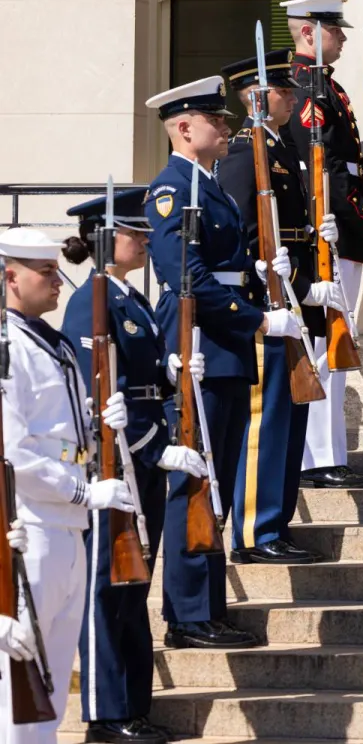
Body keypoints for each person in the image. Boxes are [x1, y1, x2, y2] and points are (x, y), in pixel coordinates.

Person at [146, 76, 305, 649]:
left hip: (225, 347)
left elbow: (219, 266)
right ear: (184, 129)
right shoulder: (173, 190)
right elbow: (184, 277)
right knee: (197, 480)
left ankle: (207, 609)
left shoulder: (206, 184)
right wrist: (257, 319)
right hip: (203, 349)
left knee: (218, 482)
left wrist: (260, 281)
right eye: (215, 120)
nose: (226, 127)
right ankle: (188, 615)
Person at [59, 190, 209, 744]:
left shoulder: (133, 299)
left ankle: (133, 706)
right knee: (106, 586)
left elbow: (141, 380)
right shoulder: (90, 303)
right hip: (114, 461)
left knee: (131, 584)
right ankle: (104, 713)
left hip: (144, 451)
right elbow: (98, 396)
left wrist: (175, 373)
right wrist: (151, 449)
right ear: (105, 238)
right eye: (133, 233)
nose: (145, 240)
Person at [0, 227, 126, 743]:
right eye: (45, 272)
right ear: (11, 277)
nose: (58, 281)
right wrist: (80, 492)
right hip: (33, 529)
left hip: (70, 528)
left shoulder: (51, 344)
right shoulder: (9, 349)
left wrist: (105, 424)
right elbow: (12, 452)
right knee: (18, 695)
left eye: (56, 269)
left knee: (49, 693)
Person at [218, 55, 346, 564]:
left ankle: (278, 521)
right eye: (283, 90)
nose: (294, 97)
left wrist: (318, 260)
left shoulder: (282, 149)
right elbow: (248, 242)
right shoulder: (242, 154)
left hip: (293, 302)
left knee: (290, 419)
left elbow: (289, 231)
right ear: (255, 96)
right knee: (266, 421)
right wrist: (294, 286)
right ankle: (254, 530)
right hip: (267, 305)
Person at [278, 0, 363, 491]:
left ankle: (323, 456)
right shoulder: (306, 90)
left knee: (333, 347)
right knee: (326, 349)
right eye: (333, 29)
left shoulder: (321, 86)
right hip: (329, 232)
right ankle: (317, 460)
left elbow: (341, 164)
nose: (342, 36)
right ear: (308, 33)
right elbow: (320, 175)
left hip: (339, 229)